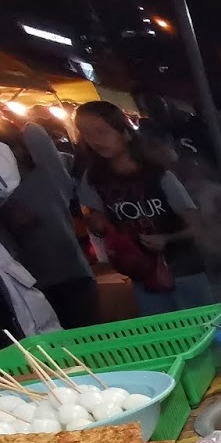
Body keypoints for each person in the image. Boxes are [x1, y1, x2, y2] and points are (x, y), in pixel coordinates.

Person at [74, 102, 210, 317]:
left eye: (102, 132)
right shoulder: (93, 179)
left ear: (125, 133)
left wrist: (167, 238)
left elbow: (197, 225)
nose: (95, 140)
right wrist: (98, 225)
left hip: (185, 270)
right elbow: (94, 218)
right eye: (87, 134)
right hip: (141, 275)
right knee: (165, 335)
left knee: (205, 328)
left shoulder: (158, 174)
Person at [0, 121, 97, 329]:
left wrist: (15, 123)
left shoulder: (48, 173)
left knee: (86, 335)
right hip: (30, 284)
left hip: (71, 274)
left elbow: (35, 132)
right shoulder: (4, 196)